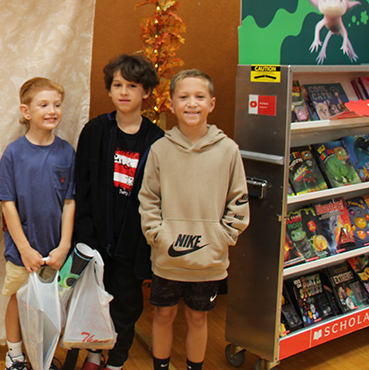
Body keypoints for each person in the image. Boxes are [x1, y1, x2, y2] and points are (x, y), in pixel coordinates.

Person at [138, 69, 250, 370]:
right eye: (183, 97)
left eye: (199, 97)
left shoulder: (228, 150)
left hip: (209, 260)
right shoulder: (160, 149)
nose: (192, 103)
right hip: (167, 257)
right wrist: (157, 235)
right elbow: (148, 198)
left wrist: (222, 237)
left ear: (211, 104)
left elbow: (238, 200)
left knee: (198, 317)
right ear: (171, 104)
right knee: (162, 315)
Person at [74, 54, 164, 370]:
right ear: (109, 90)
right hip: (96, 238)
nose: (124, 92)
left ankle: (119, 358)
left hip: (133, 244)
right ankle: (94, 354)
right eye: (117, 85)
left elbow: (158, 200)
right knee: (93, 299)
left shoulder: (156, 140)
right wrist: (83, 238)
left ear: (146, 92)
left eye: (132, 86)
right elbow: (80, 189)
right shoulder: (95, 131)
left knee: (126, 304)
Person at [0, 77, 76, 370]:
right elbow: (7, 203)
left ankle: (43, 357)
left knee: (48, 306)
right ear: (26, 112)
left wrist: (64, 245)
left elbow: (69, 201)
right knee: (19, 298)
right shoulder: (14, 153)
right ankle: (14, 355)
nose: (52, 110)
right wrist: (24, 248)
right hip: (22, 251)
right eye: (44, 105)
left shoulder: (66, 152)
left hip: (55, 251)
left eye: (57, 104)